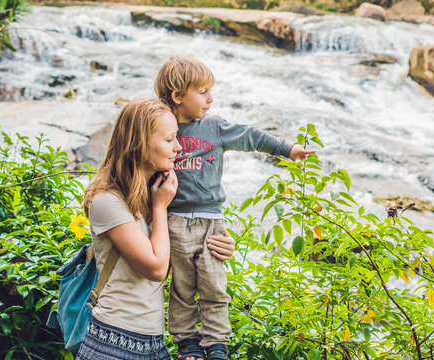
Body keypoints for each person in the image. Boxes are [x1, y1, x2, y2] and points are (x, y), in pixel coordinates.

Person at [154, 56, 316, 360]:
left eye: (210, 91)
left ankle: (217, 346)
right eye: (202, 92)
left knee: (214, 287)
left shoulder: (214, 127)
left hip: (211, 222)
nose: (210, 98)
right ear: (177, 97)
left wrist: (287, 149)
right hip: (173, 220)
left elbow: (251, 136)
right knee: (182, 288)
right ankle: (187, 344)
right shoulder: (161, 129)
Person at [78, 98, 235, 359]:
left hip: (153, 342)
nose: (179, 146)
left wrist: (216, 246)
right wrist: (161, 208)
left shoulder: (156, 191)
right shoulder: (106, 199)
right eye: (169, 139)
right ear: (139, 144)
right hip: (113, 341)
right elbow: (155, 268)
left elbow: (177, 260)